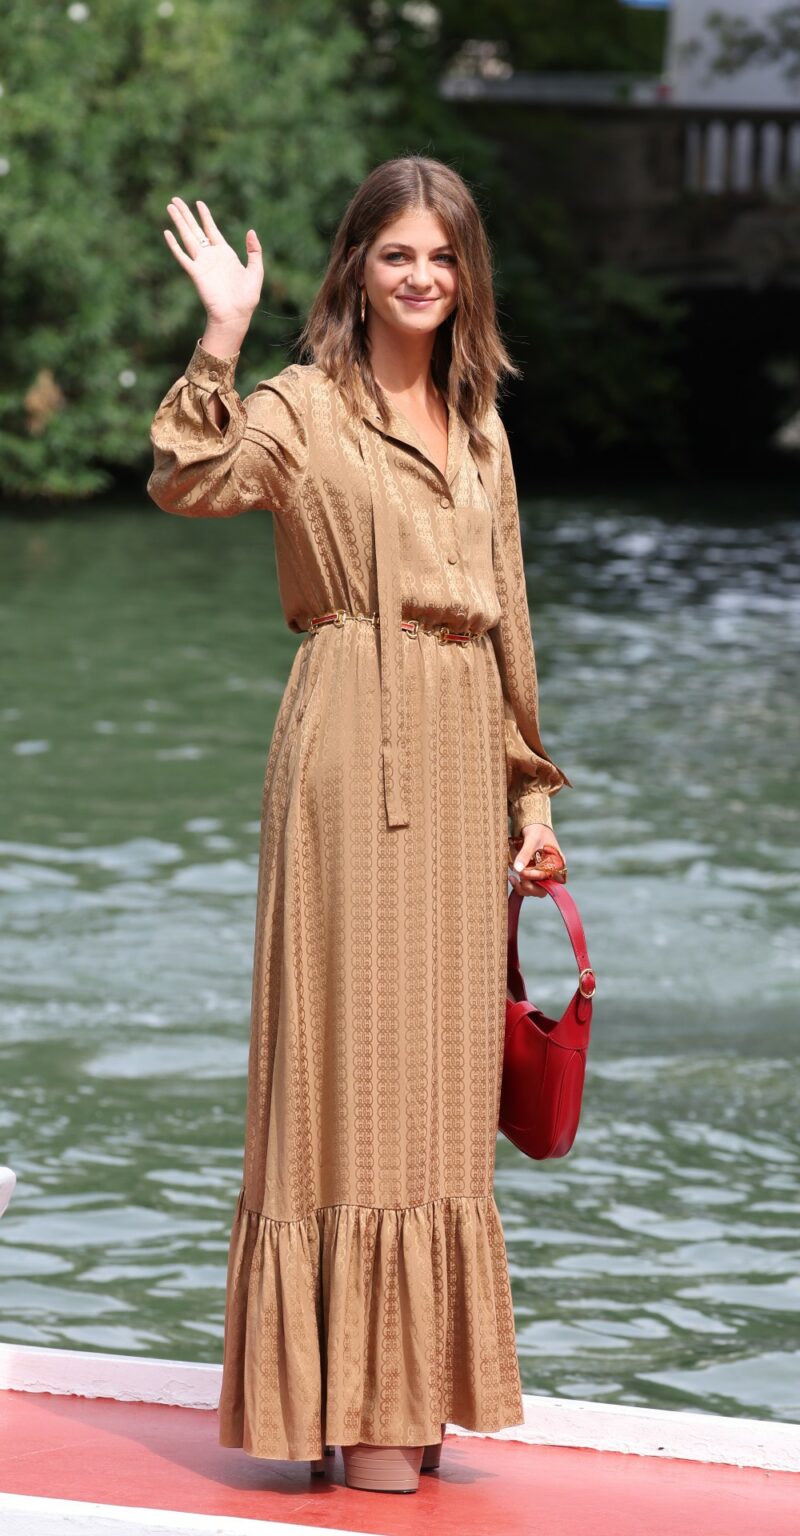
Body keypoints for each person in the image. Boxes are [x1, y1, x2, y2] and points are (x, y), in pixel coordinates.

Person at [146, 154, 572, 1496]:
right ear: (357, 267)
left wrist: (533, 799)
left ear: (468, 273)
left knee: (439, 1097)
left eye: (442, 256)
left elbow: (509, 618)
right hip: (347, 753)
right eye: (397, 254)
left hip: (460, 767)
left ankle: (401, 1398)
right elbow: (189, 478)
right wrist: (220, 333)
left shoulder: (484, 425)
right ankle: (353, 1410)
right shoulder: (304, 406)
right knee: (346, 1075)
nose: (422, 276)